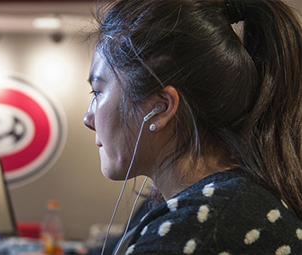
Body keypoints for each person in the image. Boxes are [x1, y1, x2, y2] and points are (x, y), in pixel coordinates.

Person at [83, 0, 302, 254]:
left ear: (161, 108)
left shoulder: (194, 233)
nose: (88, 118)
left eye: (97, 92)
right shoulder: (241, 203)